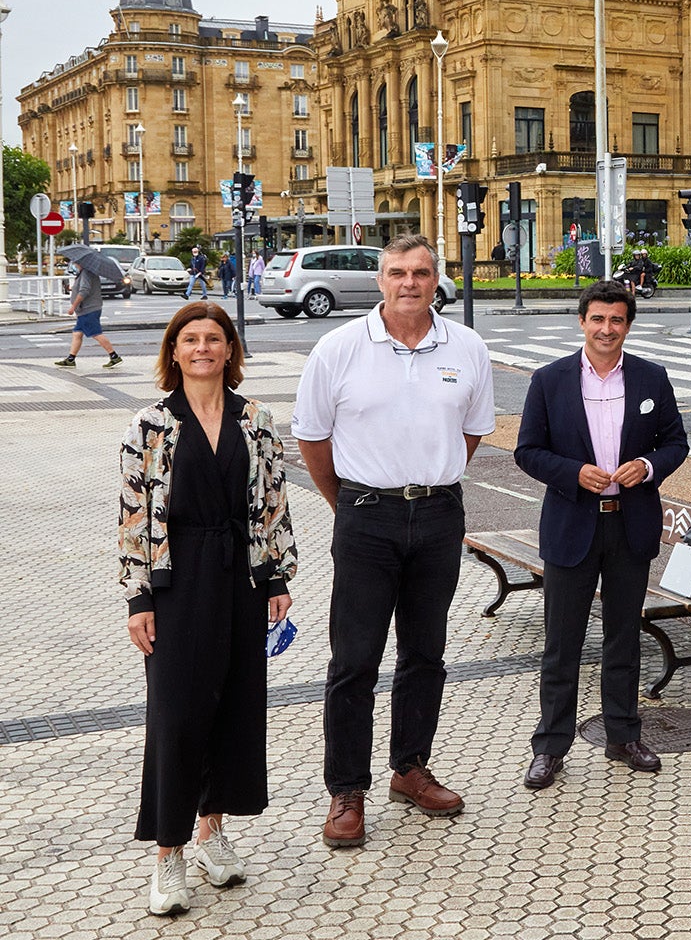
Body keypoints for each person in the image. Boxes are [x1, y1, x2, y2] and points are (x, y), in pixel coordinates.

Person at [291, 235, 495, 849]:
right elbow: (312, 439)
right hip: (365, 517)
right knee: (354, 661)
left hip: (438, 516)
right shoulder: (339, 348)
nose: (410, 283)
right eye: (398, 273)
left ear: (438, 280)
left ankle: (409, 768)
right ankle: (346, 791)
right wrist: (350, 504)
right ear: (381, 281)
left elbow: (473, 433)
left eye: (422, 273)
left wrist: (431, 483)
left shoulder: (468, 347)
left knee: (426, 654)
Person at [119, 302, 296, 915]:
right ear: (174, 351)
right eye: (190, 339)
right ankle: (168, 855)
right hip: (176, 578)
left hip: (242, 577)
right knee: (177, 713)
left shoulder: (257, 419)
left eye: (213, 338)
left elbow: (274, 500)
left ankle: (210, 832)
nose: (202, 348)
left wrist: (276, 577)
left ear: (229, 350)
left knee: (234, 705)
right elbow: (133, 513)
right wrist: (140, 595)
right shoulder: (150, 423)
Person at [514, 281, 688, 788]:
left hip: (630, 523)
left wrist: (647, 465)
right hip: (573, 524)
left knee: (623, 638)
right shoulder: (550, 380)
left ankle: (623, 734)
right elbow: (528, 450)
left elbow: (676, 442)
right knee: (562, 643)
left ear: (628, 325)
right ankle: (550, 747)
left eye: (617, 320)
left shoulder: (652, 378)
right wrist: (572, 472)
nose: (607, 329)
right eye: (598, 319)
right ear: (582, 322)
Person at [56, 256, 122, 369]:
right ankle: (71, 359)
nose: (74, 264)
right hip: (86, 309)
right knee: (77, 333)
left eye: (76, 263)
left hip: (88, 309)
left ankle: (114, 356)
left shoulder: (86, 273)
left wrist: (73, 306)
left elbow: (84, 291)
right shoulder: (85, 273)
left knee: (96, 333)